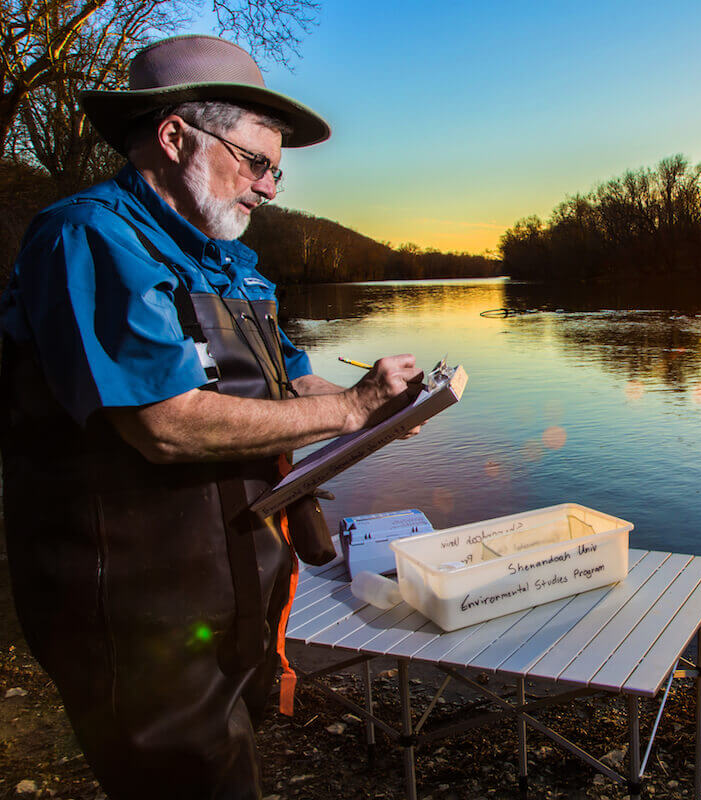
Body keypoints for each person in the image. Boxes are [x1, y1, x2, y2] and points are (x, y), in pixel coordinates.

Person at [0, 35, 422, 799]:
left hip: (234, 588)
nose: (270, 187)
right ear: (173, 136)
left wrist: (380, 405)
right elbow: (162, 423)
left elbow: (291, 387)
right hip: (135, 609)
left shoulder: (234, 264)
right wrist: (350, 410)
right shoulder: (88, 236)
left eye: (277, 170)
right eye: (257, 162)